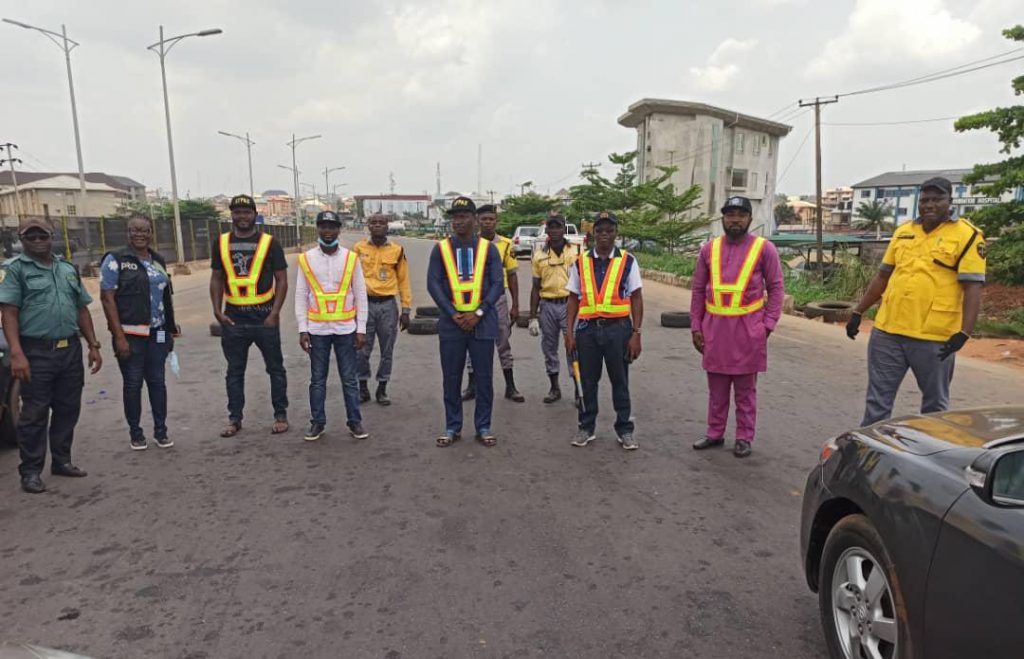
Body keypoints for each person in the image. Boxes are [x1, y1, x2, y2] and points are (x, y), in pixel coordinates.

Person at [848, 176, 986, 425]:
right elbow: (882, 276)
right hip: (888, 331)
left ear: (950, 201)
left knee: (934, 406)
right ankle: (869, 455)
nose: (929, 205)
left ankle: (929, 457)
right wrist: (858, 312)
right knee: (877, 401)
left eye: (937, 199)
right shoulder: (904, 232)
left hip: (934, 337)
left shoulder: (968, 236)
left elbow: (973, 288)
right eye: (924, 200)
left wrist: (964, 332)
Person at [0, 217, 102, 493]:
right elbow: (8, 312)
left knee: (68, 408)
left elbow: (81, 309)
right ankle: (30, 471)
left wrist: (93, 345)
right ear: (22, 241)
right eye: (30, 237)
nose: (36, 241)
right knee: (34, 413)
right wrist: (17, 354)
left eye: (41, 236)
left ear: (51, 236)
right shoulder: (15, 270)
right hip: (35, 351)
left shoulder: (67, 269)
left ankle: (62, 460)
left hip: (69, 349)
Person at [690, 196, 785, 458]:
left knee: (745, 391)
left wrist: (767, 325)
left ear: (750, 220)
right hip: (715, 330)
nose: (735, 219)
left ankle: (744, 437)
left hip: (748, 331)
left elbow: (776, 287)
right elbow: (698, 289)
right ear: (722, 218)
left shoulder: (764, 249)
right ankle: (715, 433)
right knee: (717, 389)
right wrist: (696, 326)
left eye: (741, 215)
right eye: (730, 214)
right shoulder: (709, 250)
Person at [426, 196, 503, 447]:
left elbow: (496, 284)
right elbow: (433, 283)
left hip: (482, 322)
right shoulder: (441, 249)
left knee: (484, 378)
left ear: (474, 220)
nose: (458, 222)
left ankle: (483, 426)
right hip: (452, 324)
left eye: (463, 217)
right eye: (455, 218)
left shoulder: (488, 249)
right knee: (451, 378)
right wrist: (451, 312)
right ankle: (452, 427)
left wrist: (478, 313)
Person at [210, 194, 289, 437]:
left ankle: (280, 415)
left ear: (255, 214)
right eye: (237, 212)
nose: (242, 217)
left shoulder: (269, 243)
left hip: (264, 318)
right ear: (231, 215)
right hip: (234, 319)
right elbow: (217, 278)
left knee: (275, 369)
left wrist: (275, 313)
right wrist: (217, 310)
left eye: (246, 212)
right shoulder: (221, 243)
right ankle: (235, 418)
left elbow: (282, 279)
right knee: (234, 371)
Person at [565, 211, 643, 450]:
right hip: (587, 331)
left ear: (616, 233)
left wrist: (636, 333)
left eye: (609, 231)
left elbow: (637, 298)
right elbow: (573, 298)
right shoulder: (581, 262)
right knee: (587, 382)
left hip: (618, 330)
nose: (604, 235)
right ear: (593, 234)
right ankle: (586, 427)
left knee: (620, 381)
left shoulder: (628, 261)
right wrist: (569, 332)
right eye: (600, 231)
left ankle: (624, 430)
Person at [99, 214, 178, 451]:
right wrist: (118, 336)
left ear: (151, 232)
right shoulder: (116, 260)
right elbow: (107, 298)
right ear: (128, 232)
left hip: (158, 333)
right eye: (135, 230)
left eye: (145, 230)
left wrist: (170, 331)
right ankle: (136, 432)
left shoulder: (157, 260)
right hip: (130, 335)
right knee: (133, 384)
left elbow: (166, 298)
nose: (140, 234)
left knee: (158, 381)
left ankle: (161, 431)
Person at [296, 211, 369, 441]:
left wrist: (361, 328)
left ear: (339, 229)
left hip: (345, 328)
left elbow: (360, 294)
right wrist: (302, 328)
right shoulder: (306, 259)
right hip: (317, 330)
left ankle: (354, 421)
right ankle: (317, 422)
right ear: (318, 228)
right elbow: (301, 294)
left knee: (349, 378)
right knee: (318, 379)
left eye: (332, 226)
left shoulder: (351, 258)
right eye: (323, 226)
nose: (328, 231)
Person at [463, 204, 524, 403]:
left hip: (498, 299)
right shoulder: (471, 243)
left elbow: (512, 275)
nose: (488, 222)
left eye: (491, 219)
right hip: (475, 299)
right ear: (477, 221)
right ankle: (472, 385)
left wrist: (515, 305)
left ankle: (510, 386)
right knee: (473, 339)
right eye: (484, 219)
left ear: (496, 221)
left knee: (503, 340)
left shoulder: (506, 244)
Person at [353, 213, 412, 406]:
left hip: (388, 305)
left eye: (381, 223)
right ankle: (363, 387)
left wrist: (405, 309)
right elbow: (349, 279)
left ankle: (382, 387)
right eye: (373, 223)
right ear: (368, 225)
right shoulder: (358, 249)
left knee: (387, 349)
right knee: (361, 349)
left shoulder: (396, 250)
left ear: (388, 226)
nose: (377, 226)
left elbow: (403, 280)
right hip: (364, 305)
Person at [529, 213, 580, 403]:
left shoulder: (575, 252)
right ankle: (554, 388)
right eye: (551, 227)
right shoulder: (539, 256)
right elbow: (535, 287)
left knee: (573, 346)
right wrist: (533, 316)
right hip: (548, 305)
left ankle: (578, 388)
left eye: (558, 227)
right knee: (549, 348)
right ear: (547, 230)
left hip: (570, 304)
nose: (555, 230)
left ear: (564, 228)